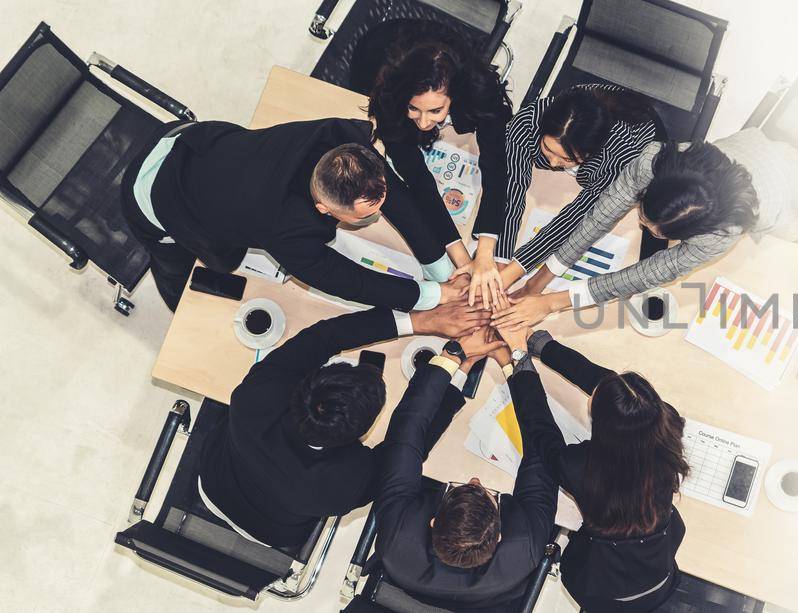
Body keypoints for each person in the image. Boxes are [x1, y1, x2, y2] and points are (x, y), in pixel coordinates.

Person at [195, 301, 489, 548]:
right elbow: (410, 445)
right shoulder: (346, 482)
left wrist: (423, 321)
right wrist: (459, 367)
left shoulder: (255, 397)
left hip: (214, 478)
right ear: (362, 433)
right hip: (270, 532)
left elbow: (323, 336)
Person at [491, 128, 798, 334]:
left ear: (694, 233)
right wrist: (540, 279)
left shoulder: (722, 232)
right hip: (752, 147)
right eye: (644, 215)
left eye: (656, 230)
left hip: (796, 198)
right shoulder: (654, 160)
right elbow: (597, 218)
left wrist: (554, 303)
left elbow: (648, 274)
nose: (642, 227)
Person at [120, 118, 470, 312]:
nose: (380, 213)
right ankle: (177, 306)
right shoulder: (283, 226)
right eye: (367, 215)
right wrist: (432, 296)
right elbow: (346, 279)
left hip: (190, 140)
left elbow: (395, 197)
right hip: (156, 200)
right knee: (181, 278)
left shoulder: (342, 142)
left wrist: (439, 267)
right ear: (323, 208)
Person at [371, 330, 558, 608]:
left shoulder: (398, 537)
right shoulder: (524, 546)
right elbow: (544, 453)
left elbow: (407, 429)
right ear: (498, 537)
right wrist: (513, 365)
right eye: (488, 492)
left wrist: (454, 359)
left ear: (432, 522)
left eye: (463, 487)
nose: (475, 478)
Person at [511, 329, 689, 612]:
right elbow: (613, 391)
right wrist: (543, 346)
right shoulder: (663, 422)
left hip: (602, 589)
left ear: (604, 426)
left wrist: (519, 362)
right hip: (659, 570)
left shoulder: (581, 466)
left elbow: (541, 433)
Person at [460, 84, 665, 310]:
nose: (554, 163)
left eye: (568, 159)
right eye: (548, 150)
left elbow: (574, 217)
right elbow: (512, 188)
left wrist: (513, 272)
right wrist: (499, 259)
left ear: (591, 152)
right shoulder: (527, 122)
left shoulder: (619, 155)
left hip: (642, 135)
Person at [367, 23, 512, 282]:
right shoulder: (391, 93)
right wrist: (462, 258)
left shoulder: (479, 90)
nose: (423, 123)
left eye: (435, 111)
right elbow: (417, 177)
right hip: (379, 47)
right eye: (414, 108)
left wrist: (486, 254)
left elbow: (496, 165)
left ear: (455, 97)